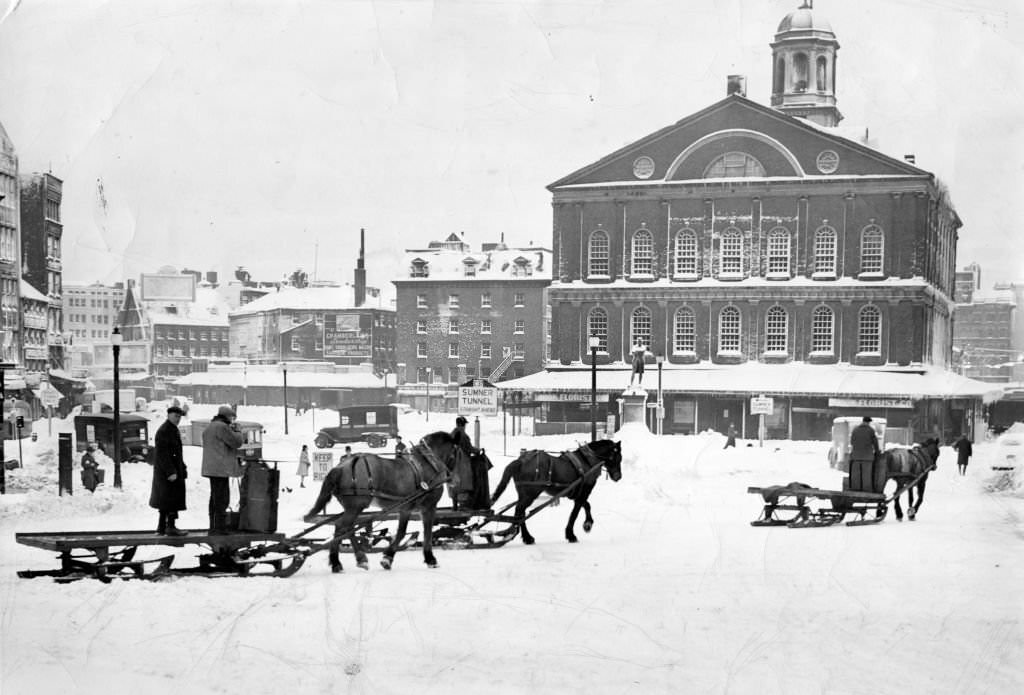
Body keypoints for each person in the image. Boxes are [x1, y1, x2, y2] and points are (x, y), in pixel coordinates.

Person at [201, 404, 245, 535]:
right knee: (222, 498)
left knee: (214, 498)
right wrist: (238, 431)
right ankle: (220, 528)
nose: (233, 421)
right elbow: (237, 442)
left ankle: (213, 526)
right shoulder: (222, 427)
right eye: (232, 418)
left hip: (212, 468)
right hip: (220, 469)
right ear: (227, 417)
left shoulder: (210, 427)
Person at [151, 405, 188, 535]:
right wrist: (171, 471)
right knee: (169, 500)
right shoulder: (165, 430)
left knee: (166, 501)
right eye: (176, 416)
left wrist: (182, 467)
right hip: (167, 473)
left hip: (171, 471)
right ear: (169, 415)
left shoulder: (171, 429)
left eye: (179, 417)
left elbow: (176, 453)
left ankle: (162, 528)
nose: (178, 419)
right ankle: (170, 527)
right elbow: (162, 454)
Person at [849, 416, 882, 492]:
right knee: (866, 475)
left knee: (856, 475)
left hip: (855, 457)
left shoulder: (855, 430)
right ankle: (866, 490)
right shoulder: (870, 430)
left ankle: (855, 489)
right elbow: (875, 443)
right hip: (867, 457)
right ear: (868, 422)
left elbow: (852, 442)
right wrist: (877, 452)